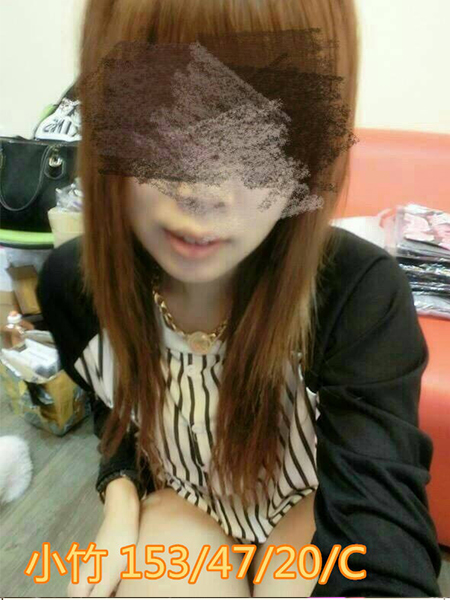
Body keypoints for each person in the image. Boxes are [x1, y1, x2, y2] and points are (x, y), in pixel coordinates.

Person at [36, 0, 442, 597]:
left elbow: (382, 521)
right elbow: (114, 406)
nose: (203, 191)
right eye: (162, 115)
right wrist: (119, 501)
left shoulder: (357, 292)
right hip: (186, 502)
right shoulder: (73, 287)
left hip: (308, 505)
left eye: (262, 131)